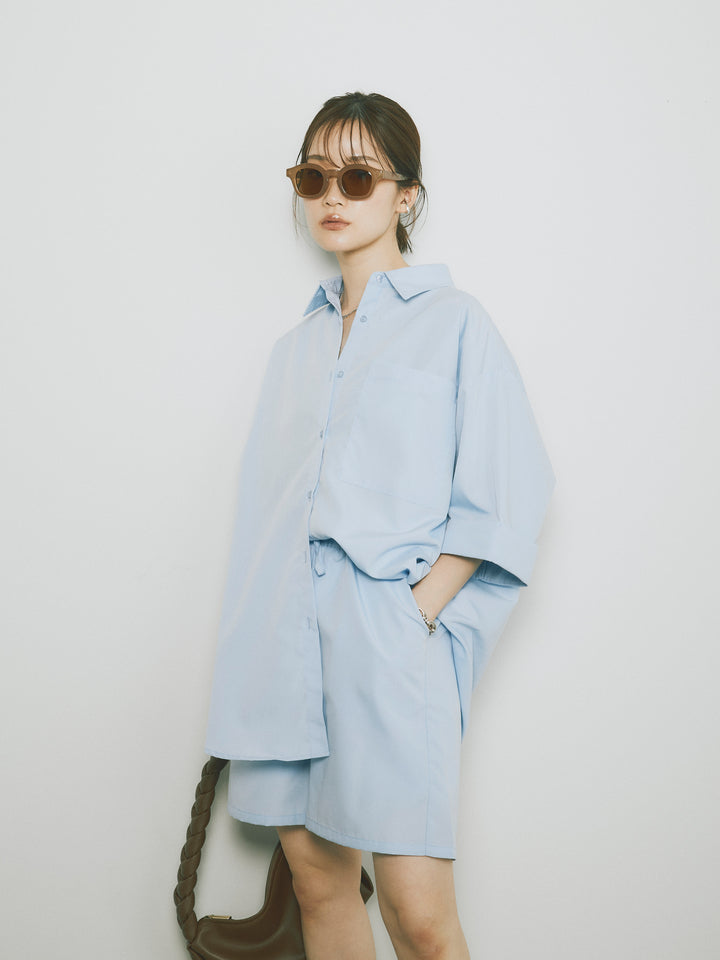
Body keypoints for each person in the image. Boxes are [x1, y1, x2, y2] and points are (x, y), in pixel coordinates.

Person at [204, 91, 555, 960]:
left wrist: (417, 612)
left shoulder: (455, 322)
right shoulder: (294, 349)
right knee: (320, 889)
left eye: (358, 177)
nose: (333, 195)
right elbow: (264, 516)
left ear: (406, 195)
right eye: (313, 176)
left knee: (419, 918)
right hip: (279, 648)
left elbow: (510, 487)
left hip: (387, 640)